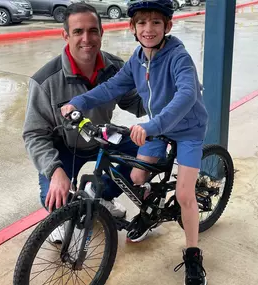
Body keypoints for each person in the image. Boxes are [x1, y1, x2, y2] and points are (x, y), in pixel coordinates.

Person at [60, 0, 208, 284]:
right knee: (137, 175)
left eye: (155, 22)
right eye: (141, 23)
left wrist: (152, 125)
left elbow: (187, 95)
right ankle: (150, 212)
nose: (148, 29)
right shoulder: (138, 58)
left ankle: (192, 254)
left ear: (168, 26)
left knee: (185, 195)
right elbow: (112, 86)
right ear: (133, 27)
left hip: (187, 128)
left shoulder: (179, 57)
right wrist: (78, 101)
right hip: (155, 127)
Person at [23, 3, 146, 242]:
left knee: (146, 154)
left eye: (93, 31)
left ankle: (102, 199)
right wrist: (54, 171)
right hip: (65, 147)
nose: (86, 38)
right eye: (78, 32)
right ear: (65, 35)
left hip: (103, 139)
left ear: (101, 33)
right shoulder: (45, 81)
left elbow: (136, 104)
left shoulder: (116, 69)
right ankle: (62, 216)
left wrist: (167, 95)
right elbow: (34, 134)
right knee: (56, 198)